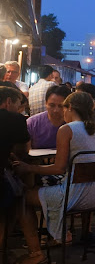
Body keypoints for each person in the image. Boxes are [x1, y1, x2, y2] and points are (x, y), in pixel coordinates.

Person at [12, 92, 95, 264]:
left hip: (75, 195)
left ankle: (36, 253)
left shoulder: (66, 129)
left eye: (63, 107)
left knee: (23, 197)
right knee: (49, 188)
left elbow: (59, 168)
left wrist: (29, 167)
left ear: (69, 107)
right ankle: (60, 233)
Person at [0, 87, 30, 255]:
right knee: (19, 194)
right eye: (18, 105)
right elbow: (22, 151)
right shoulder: (15, 119)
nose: (19, 109)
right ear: (8, 101)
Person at [26, 86, 71, 150]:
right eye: (52, 105)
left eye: (61, 106)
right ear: (46, 103)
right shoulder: (32, 123)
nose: (56, 110)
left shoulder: (73, 125)